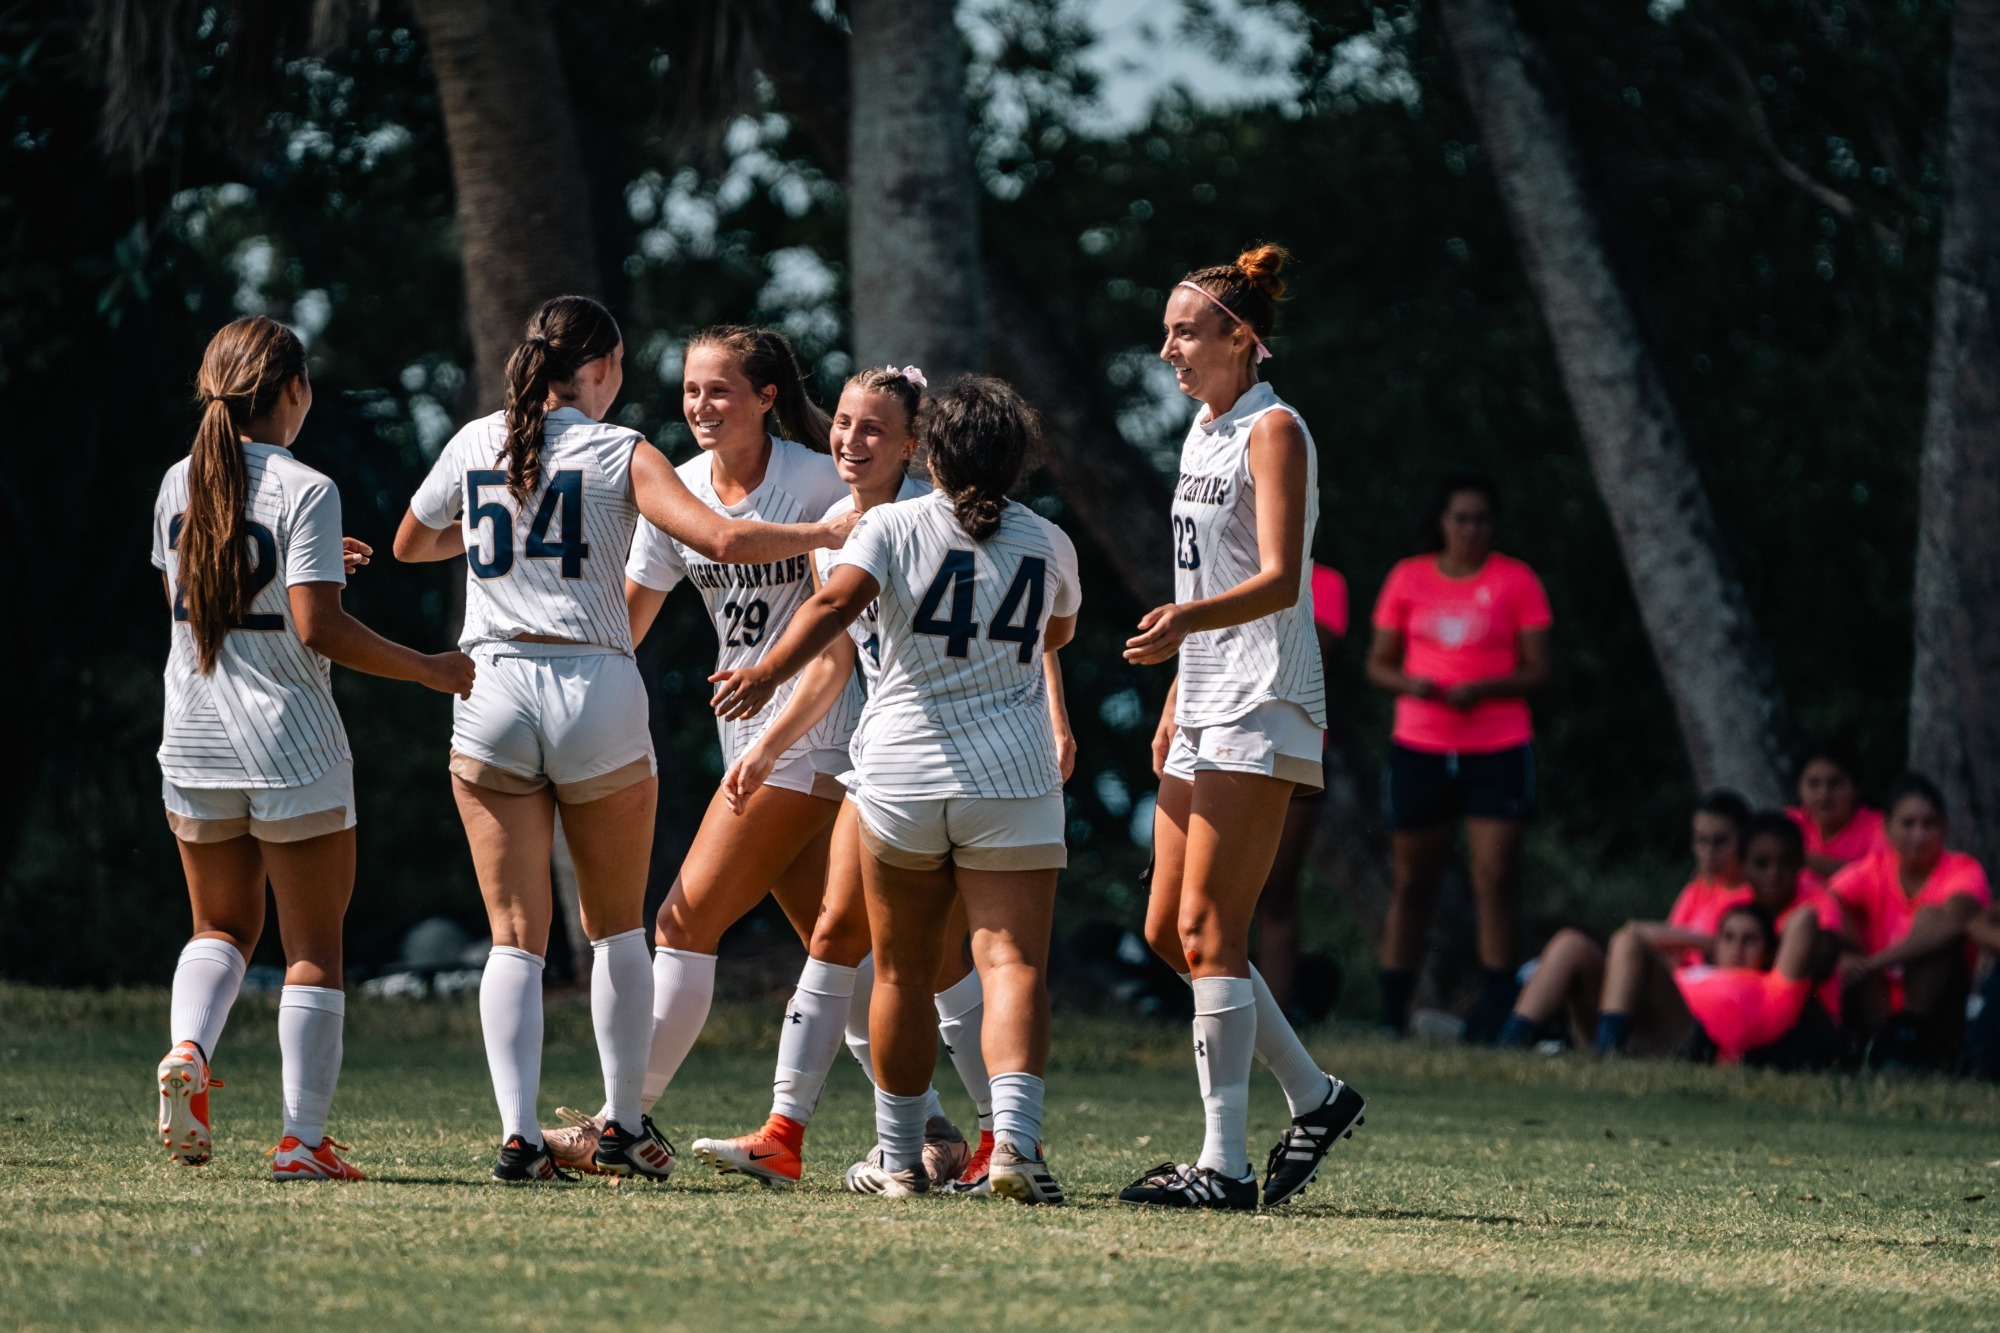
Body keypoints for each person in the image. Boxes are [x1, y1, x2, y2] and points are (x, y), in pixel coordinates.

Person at [393, 299, 852, 1183]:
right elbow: (722, 536)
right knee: (620, 930)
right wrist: (820, 531)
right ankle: (625, 1126)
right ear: (601, 366)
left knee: (514, 938)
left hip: (492, 684)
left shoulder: (476, 440)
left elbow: (413, 543)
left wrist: (497, 533)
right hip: (592, 684)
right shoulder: (622, 450)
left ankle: (519, 1136)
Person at [684, 366, 1070, 1193]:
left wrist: (764, 671)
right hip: (1010, 775)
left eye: (874, 427)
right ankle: (1011, 1143)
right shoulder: (1048, 540)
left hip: (900, 769)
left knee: (901, 970)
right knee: (1003, 963)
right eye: (845, 422)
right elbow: (1056, 629)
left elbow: (830, 614)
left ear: (924, 449)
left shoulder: (891, 527)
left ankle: (903, 1155)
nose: (851, 439)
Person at [154, 315, 475, 1182]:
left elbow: (203, 598)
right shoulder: (308, 485)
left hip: (193, 738)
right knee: (312, 948)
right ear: (294, 390)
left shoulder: (177, 482)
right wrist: (429, 668)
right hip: (291, 744)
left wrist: (315, 566)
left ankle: (188, 1049)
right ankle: (302, 1140)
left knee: (220, 926)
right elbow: (318, 627)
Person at [1118, 245, 1362, 1213]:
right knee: (1166, 930)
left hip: (1262, 693)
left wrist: (1183, 625)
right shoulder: (1203, 429)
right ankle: (1315, 1094)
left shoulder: (1275, 429)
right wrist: (1179, 686)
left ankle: (1221, 1165)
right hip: (1207, 694)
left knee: (1209, 928)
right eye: (1167, 333)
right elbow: (1202, 575)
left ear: (1239, 338)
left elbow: (1278, 579)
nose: (1168, 350)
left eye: (1185, 332)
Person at [1367, 470, 1551, 1042]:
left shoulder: (1516, 581)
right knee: (1412, 882)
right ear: (1442, 522)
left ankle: (1498, 1013)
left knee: (1494, 879)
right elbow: (1378, 663)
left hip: (1496, 745)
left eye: (1481, 519)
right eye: (1461, 518)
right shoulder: (1408, 577)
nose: (1471, 529)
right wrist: (1412, 684)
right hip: (1421, 744)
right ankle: (1392, 1014)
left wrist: (1487, 688)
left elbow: (1538, 669)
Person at [1497, 790, 1753, 1051]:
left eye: (1720, 841)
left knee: (1629, 941)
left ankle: (1607, 1052)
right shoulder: (1696, 891)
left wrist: (1689, 941)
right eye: (1701, 841)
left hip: (1692, 1020)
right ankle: (1508, 1045)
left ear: (1744, 840)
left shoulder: (1750, 897)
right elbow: (1667, 953)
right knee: (1569, 943)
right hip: (1652, 1005)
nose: (1709, 852)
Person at [1832, 772, 1993, 1066]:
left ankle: (1911, 1040)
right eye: (1908, 824)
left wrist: (1873, 963)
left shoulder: (1963, 870)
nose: (1919, 835)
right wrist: (1852, 952)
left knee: (1931, 922)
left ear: (1944, 827)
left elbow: (1956, 919)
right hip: (1879, 999)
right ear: (1887, 828)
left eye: (1929, 824)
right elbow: (1826, 901)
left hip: (1941, 1007)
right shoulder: (1874, 868)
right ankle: (1876, 1048)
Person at [1250, 562, 1345, 1017]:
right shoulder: (1232, 567)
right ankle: (1224, 1012)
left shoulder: (1326, 582)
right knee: (1219, 892)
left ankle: (1276, 1019)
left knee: (1277, 890)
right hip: (1229, 742)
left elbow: (1307, 657)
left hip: (1294, 746)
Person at [1786, 743, 1885, 893]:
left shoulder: (1879, 827)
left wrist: (1799, 858)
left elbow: (1876, 878)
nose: (1823, 795)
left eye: (1835, 783)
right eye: (1813, 784)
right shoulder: (1790, 822)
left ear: (1856, 787)